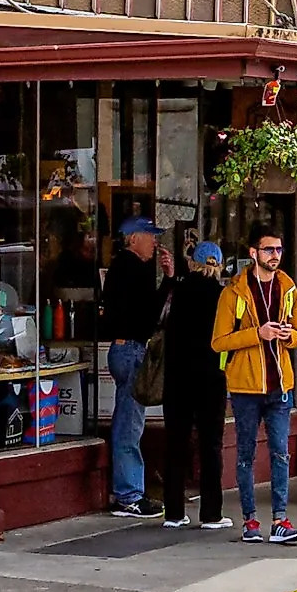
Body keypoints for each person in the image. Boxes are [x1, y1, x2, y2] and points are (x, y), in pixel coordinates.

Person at [214, 226, 297, 544]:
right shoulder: (233, 293)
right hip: (245, 387)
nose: (275, 256)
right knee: (245, 454)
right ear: (252, 253)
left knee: (281, 453)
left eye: (279, 250)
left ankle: (281, 519)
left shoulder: (288, 288)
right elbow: (218, 342)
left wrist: (286, 336)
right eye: (269, 250)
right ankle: (250, 520)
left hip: (280, 383)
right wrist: (258, 334)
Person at [99, 217, 170, 518]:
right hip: (130, 349)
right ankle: (129, 495)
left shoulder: (124, 268)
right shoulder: (131, 268)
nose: (154, 242)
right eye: (149, 236)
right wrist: (168, 279)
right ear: (132, 239)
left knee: (129, 419)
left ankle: (129, 491)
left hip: (125, 348)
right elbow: (150, 314)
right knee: (130, 423)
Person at [161, 242, 228, 529]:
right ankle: (211, 513)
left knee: (175, 442)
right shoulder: (222, 295)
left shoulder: (178, 291)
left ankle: (174, 512)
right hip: (211, 376)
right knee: (210, 444)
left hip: (177, 376)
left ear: (193, 263)